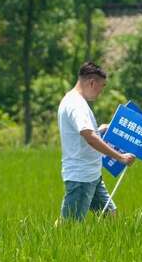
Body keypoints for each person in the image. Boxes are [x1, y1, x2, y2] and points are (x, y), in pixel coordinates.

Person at [58, 62, 135, 222]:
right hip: (81, 177)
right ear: (91, 83)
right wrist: (120, 157)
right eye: (102, 86)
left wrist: (100, 130)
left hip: (92, 175)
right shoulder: (76, 105)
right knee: (69, 226)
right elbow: (89, 137)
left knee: (110, 216)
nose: (102, 91)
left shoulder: (73, 100)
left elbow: (84, 133)